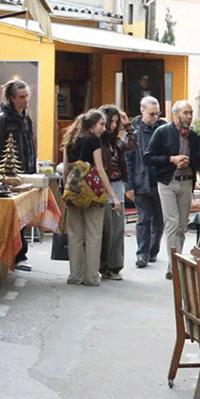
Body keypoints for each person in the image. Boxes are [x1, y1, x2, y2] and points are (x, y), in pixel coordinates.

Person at [144, 100, 200, 279]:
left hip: (187, 182)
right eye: (185, 112)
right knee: (172, 222)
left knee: (181, 225)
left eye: (191, 112)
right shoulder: (163, 132)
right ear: (176, 115)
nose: (189, 116)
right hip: (168, 182)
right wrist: (171, 159)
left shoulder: (194, 137)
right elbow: (148, 157)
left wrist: (190, 160)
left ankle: (178, 260)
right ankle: (173, 267)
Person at [62, 110, 120, 286]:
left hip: (73, 191)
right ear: (92, 124)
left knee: (75, 235)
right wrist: (113, 195)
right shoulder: (94, 140)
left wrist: (67, 190)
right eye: (101, 124)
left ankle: (75, 275)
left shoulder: (70, 140)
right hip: (92, 193)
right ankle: (91, 276)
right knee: (94, 234)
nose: (104, 128)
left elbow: (65, 169)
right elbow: (100, 169)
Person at [0, 79, 36, 270]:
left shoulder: (26, 118)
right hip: (9, 174)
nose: (25, 100)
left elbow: (30, 144)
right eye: (21, 97)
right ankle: (15, 254)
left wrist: (33, 169)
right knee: (12, 217)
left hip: (25, 171)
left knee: (23, 216)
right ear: (11, 98)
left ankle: (20, 253)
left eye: (27, 96)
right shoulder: (3, 119)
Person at [126, 97, 166, 268]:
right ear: (142, 111)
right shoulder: (133, 132)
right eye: (151, 114)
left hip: (161, 181)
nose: (155, 117)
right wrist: (129, 185)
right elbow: (128, 159)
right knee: (144, 219)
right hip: (141, 179)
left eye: (157, 113)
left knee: (159, 219)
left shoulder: (164, 129)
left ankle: (153, 251)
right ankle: (142, 253)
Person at [98, 106, 136, 280]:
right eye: (110, 122)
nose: (113, 126)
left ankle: (115, 266)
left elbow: (132, 147)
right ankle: (104, 265)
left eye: (115, 122)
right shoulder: (98, 141)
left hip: (117, 185)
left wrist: (128, 127)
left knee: (117, 228)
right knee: (106, 228)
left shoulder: (116, 142)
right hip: (103, 186)